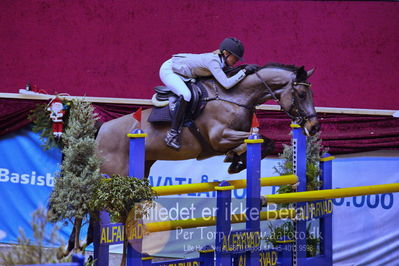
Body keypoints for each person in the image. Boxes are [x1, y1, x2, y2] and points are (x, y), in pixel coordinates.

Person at [159, 37, 258, 150]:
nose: (236, 61)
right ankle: (172, 134)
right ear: (226, 53)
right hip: (170, 71)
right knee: (186, 95)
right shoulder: (213, 61)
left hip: (185, 73)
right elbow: (226, 84)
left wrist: (243, 68)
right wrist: (244, 72)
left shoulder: (221, 61)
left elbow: (227, 73)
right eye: (235, 57)